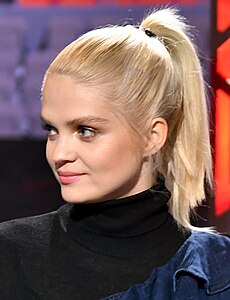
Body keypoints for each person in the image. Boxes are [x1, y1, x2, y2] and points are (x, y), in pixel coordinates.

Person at [0, 7, 229, 300]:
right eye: (52, 130)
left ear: (152, 136)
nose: (59, 153)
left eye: (85, 130)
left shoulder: (217, 274)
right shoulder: (9, 255)